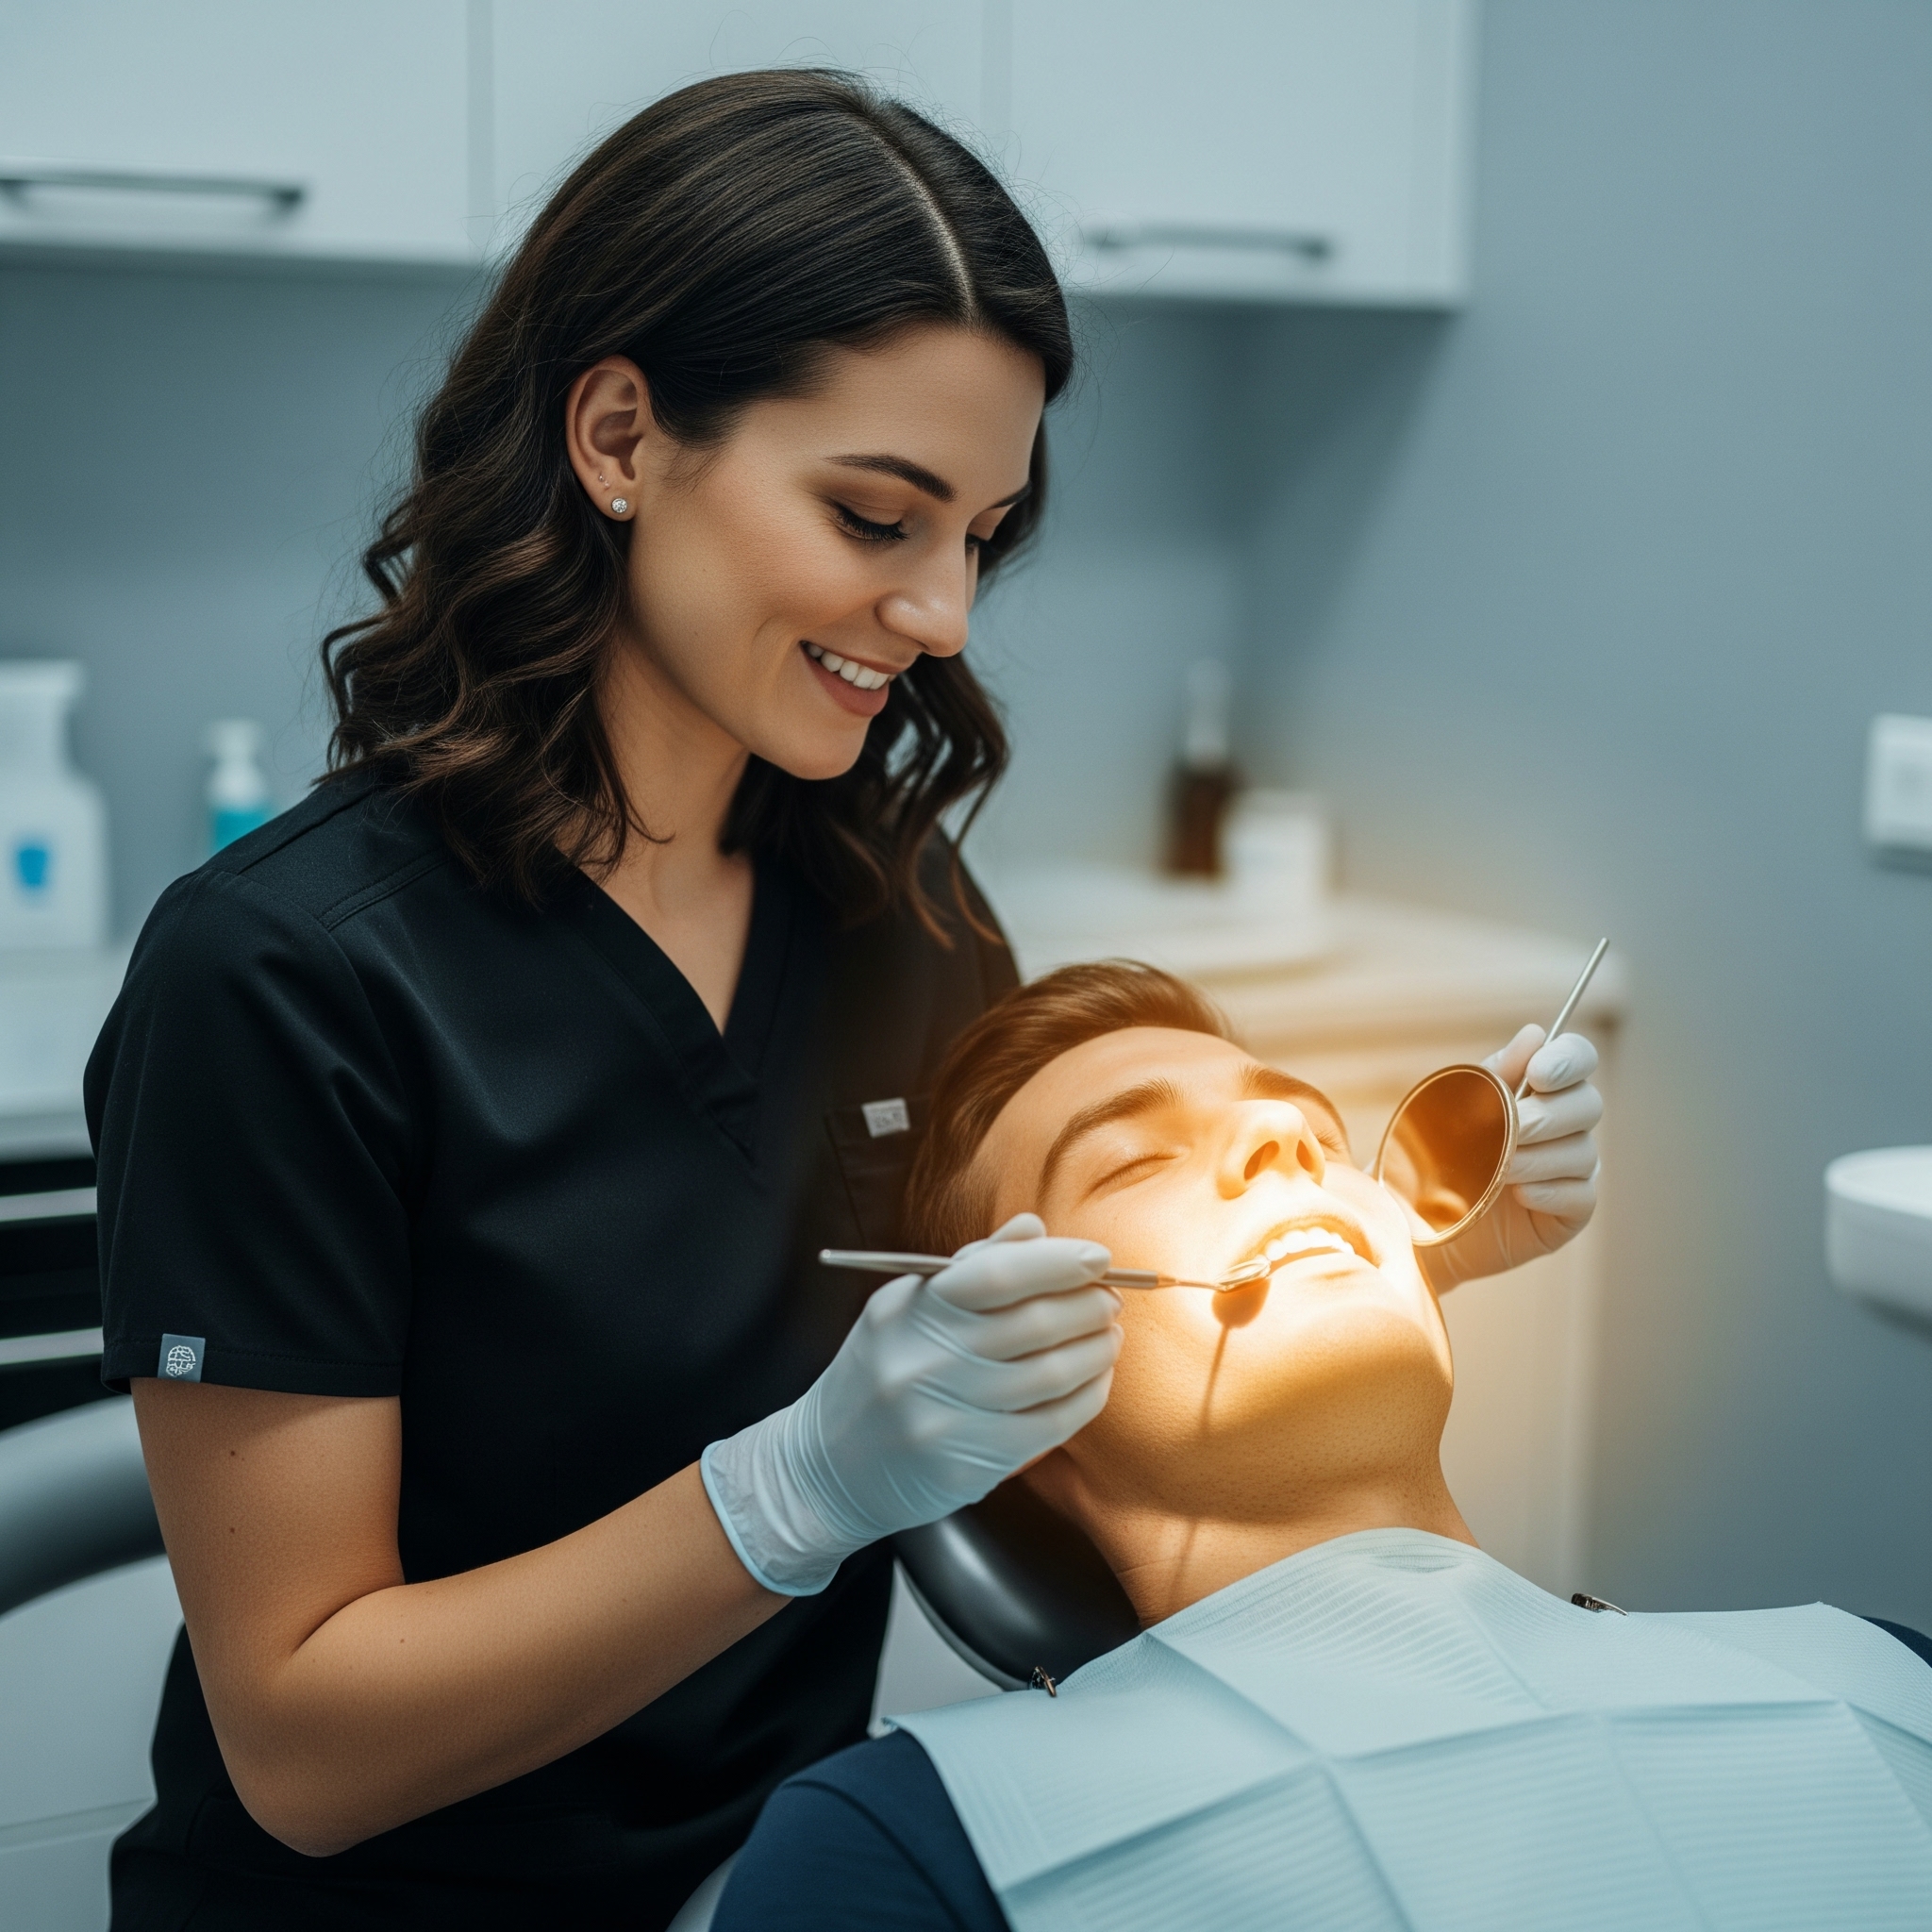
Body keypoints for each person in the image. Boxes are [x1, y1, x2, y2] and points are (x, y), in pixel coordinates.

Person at [84, 71, 1606, 1931]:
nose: (948, 611)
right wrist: (786, 1495)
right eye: (878, 516)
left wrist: (1415, 1243)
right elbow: (306, 1749)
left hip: (786, 1880)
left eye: (982, 531)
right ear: (623, 434)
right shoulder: (288, 978)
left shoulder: (893, 910)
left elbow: (1053, 1353)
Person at [713, 963, 1932, 1932]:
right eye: (1135, 1158)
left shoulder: (1881, 1678)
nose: (1288, 1153)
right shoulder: (913, 1847)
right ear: (1019, 1384)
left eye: (1311, 1134)